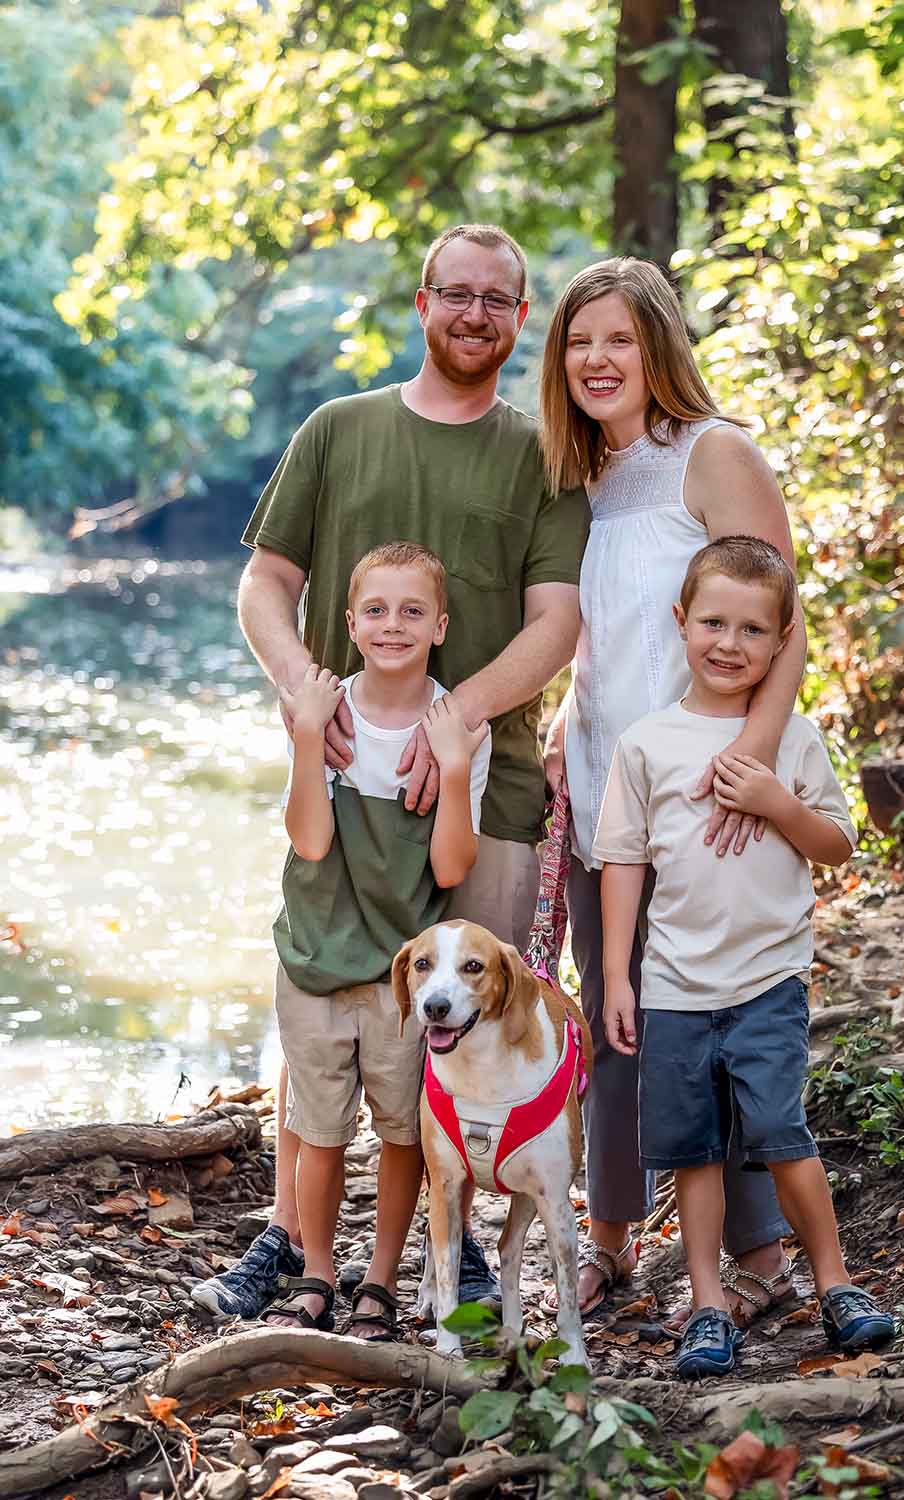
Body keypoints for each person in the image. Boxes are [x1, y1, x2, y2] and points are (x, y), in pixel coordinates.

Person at [191, 224, 588, 1326]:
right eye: (454, 295)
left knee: (467, 1028)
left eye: (496, 301)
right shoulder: (338, 429)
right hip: (348, 780)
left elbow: (557, 623)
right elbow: (266, 583)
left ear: (520, 320)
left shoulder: (543, 457)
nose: (473, 315)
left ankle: (443, 1258)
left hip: (486, 789)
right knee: (327, 998)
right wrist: (305, 696)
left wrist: (457, 716)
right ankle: (291, 1238)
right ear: (422, 304)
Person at [539, 257, 804, 1322]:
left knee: (715, 1022)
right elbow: (605, 633)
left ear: (657, 346)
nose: (596, 360)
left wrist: (756, 761)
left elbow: (782, 623)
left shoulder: (713, 453)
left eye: (617, 339)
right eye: (576, 341)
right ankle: (611, 1242)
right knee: (615, 1029)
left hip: (710, 795)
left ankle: (761, 1259)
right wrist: (565, 718)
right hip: (608, 790)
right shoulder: (576, 479)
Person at [594, 537, 895, 1377]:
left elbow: (837, 844)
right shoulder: (646, 743)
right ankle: (707, 1304)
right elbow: (624, 862)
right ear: (681, 619)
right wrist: (618, 974)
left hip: (769, 980)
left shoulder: (791, 740)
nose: (730, 644)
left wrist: (775, 802)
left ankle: (836, 1284)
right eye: (714, 623)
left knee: (778, 1129)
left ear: (781, 638)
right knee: (692, 1149)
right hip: (675, 989)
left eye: (753, 630)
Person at [251, 542, 490, 1333]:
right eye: (377, 611)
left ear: (441, 625)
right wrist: (309, 738)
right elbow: (310, 841)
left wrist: (452, 768)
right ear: (349, 622)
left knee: (400, 1133)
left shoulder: (454, 724)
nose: (394, 626)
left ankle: (380, 1279)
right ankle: (317, 1273)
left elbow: (454, 863)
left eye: (413, 611)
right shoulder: (323, 707)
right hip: (317, 957)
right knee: (317, 1131)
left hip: (402, 980)